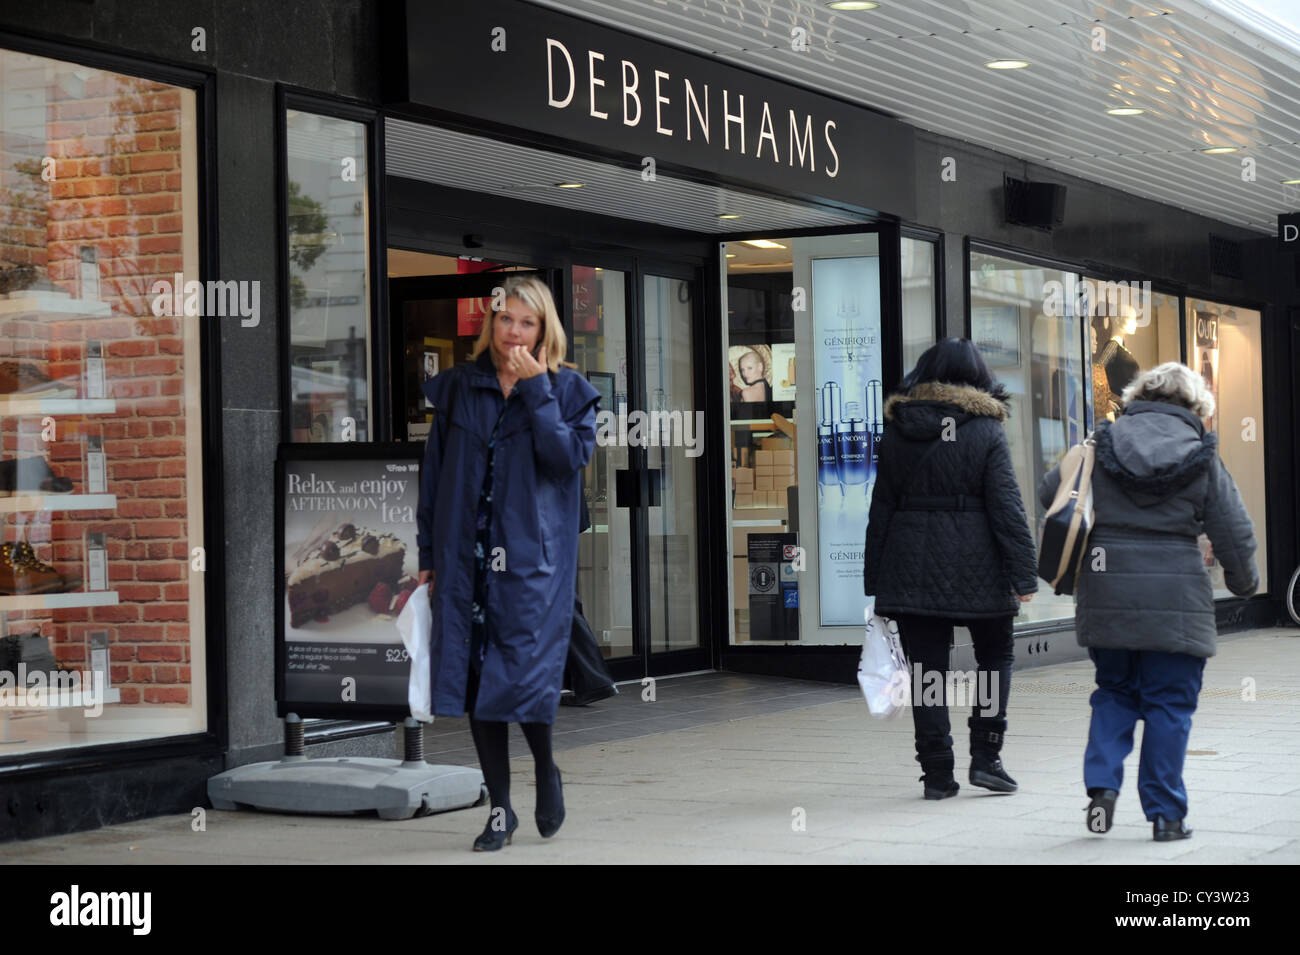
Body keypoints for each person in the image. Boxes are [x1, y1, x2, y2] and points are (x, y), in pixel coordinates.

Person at [416, 275, 599, 851]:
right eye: (504, 320)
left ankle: (546, 768)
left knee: (523, 673)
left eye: (526, 322)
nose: (512, 332)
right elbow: (434, 478)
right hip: (463, 560)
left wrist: (538, 389)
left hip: (529, 567)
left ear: (545, 330)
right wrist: (427, 556)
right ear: (490, 323)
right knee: (476, 682)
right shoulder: (459, 388)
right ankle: (500, 809)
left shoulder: (568, 391)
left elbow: (566, 459)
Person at [1039, 362, 1257, 841]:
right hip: (1176, 602)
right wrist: (1244, 584)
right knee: (1169, 705)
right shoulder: (1201, 455)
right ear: (1197, 407)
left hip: (1107, 593)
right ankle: (1166, 816)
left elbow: (1050, 490)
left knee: (1114, 692)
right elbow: (1235, 532)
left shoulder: (1101, 445)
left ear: (1138, 396)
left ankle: (1101, 789)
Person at [863, 338, 1038, 800]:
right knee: (995, 656)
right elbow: (1007, 507)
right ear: (979, 377)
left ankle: (938, 773)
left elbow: (881, 507)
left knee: (927, 670)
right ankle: (987, 756)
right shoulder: (986, 429)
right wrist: (1023, 574)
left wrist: (875, 576)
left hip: (910, 562)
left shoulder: (898, 429)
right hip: (978, 563)